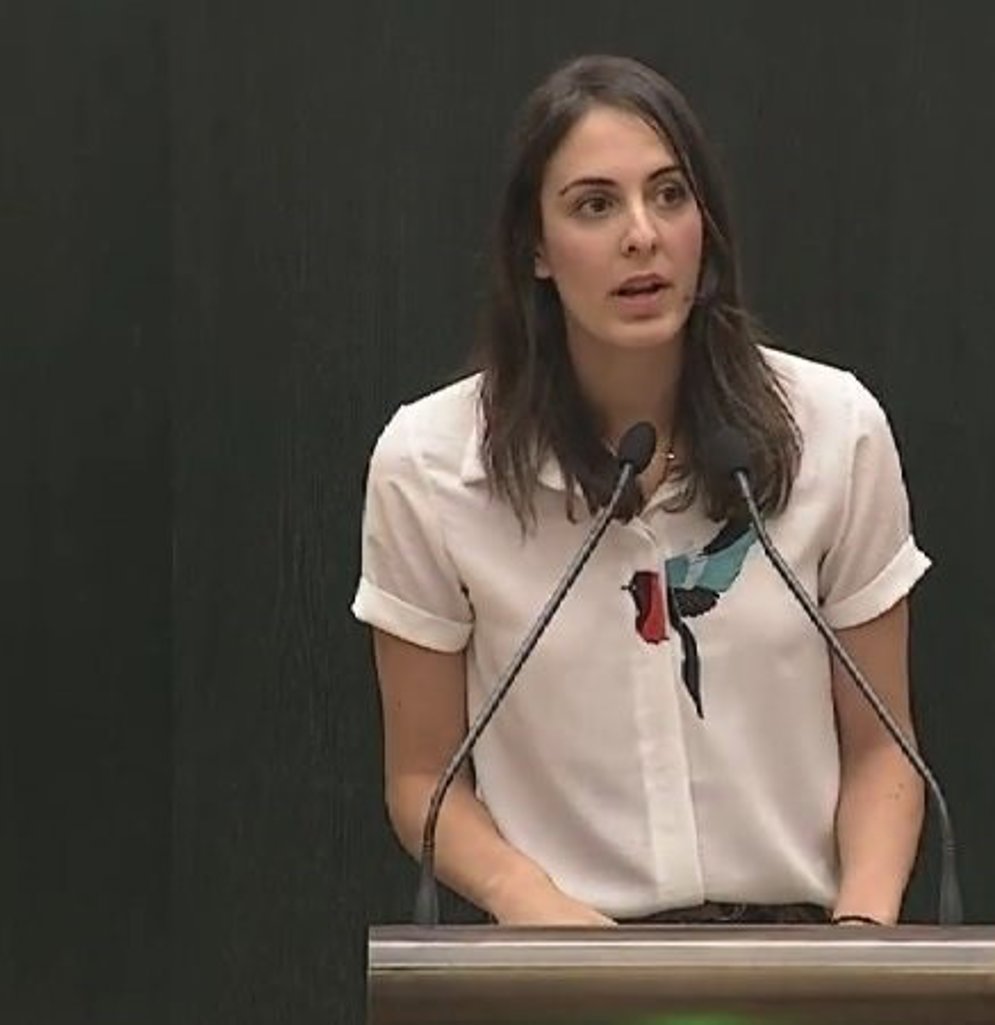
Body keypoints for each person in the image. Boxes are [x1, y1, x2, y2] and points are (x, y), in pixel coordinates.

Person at [351, 54, 930, 927]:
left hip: (801, 957)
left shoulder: (834, 431)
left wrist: (860, 946)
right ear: (534, 249)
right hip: (564, 955)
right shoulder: (431, 466)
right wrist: (532, 905)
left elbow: (883, 750)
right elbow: (422, 776)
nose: (642, 235)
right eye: (595, 205)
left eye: (669, 195)